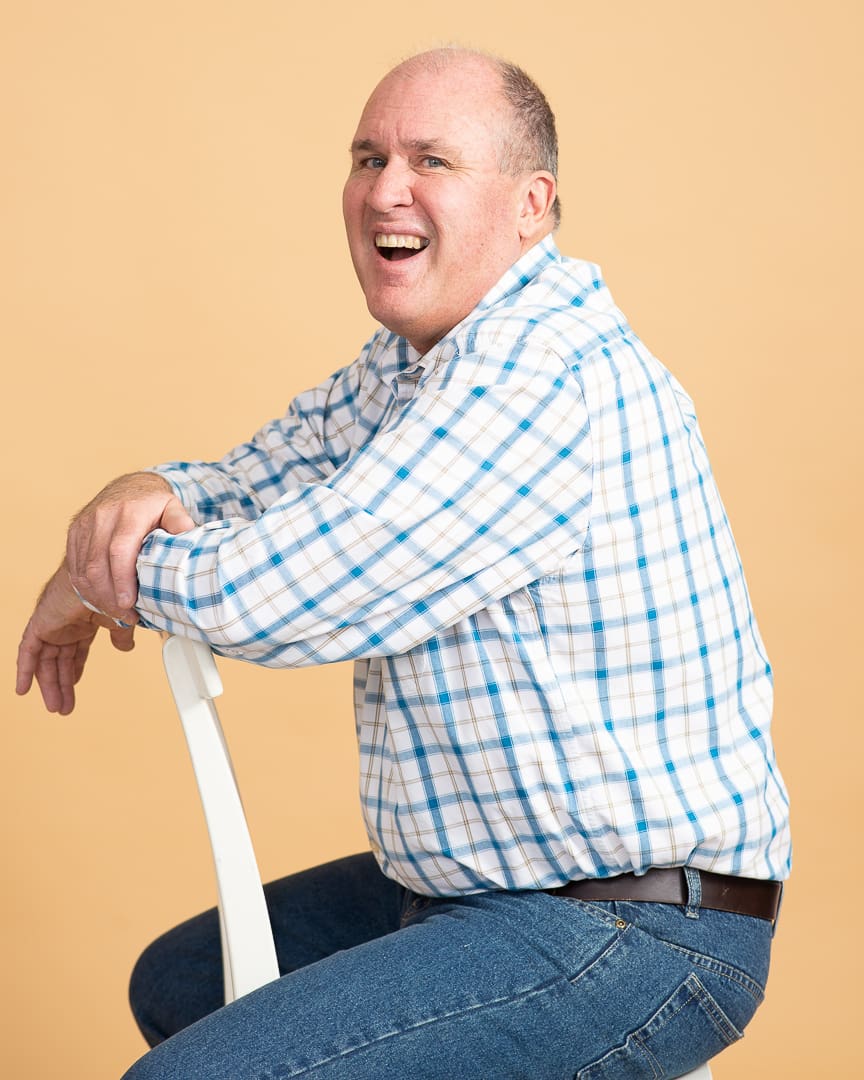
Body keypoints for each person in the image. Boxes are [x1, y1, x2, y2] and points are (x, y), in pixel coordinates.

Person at [16, 47, 790, 1080]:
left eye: (433, 159)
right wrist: (146, 491)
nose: (387, 188)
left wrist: (102, 578)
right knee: (183, 981)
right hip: (484, 888)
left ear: (530, 205)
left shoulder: (537, 373)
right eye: (368, 155)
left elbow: (297, 592)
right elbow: (259, 477)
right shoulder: (418, 365)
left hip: (628, 928)